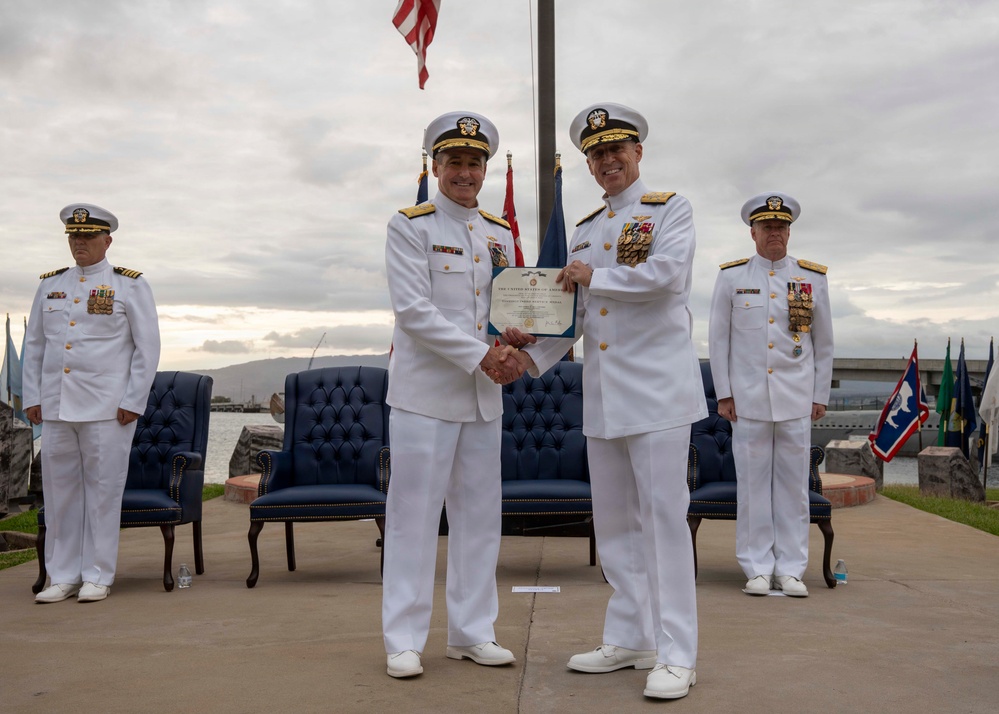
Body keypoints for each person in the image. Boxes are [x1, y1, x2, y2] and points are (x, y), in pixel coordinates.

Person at [500, 103, 706, 700]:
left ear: (637, 152)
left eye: (616, 149)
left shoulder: (670, 210)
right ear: (588, 166)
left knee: (664, 523)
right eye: (596, 154)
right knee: (616, 526)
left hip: (660, 395)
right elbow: (575, 321)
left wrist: (595, 276)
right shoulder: (587, 230)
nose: (607, 160)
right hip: (606, 397)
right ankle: (631, 637)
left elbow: (667, 277)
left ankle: (677, 652)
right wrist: (525, 358)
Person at [381, 111, 524, 679]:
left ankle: (471, 632)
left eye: (474, 162)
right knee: (414, 517)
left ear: (485, 169)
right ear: (435, 167)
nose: (465, 172)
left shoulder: (500, 232)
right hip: (424, 396)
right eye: (455, 162)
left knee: (480, 518)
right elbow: (414, 311)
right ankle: (404, 638)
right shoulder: (409, 226)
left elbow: (501, 307)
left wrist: (512, 337)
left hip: (482, 398)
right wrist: (480, 353)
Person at [23, 203, 160, 604]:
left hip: (107, 408)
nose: (78, 243)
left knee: (103, 491)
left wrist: (133, 400)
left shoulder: (129, 285)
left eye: (86, 237)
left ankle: (98, 574)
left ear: (107, 240)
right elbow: (35, 347)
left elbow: (146, 349)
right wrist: (33, 397)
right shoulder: (50, 285)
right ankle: (62, 576)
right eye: (73, 237)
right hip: (57, 407)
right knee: (60, 492)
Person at [707, 192, 833, 598]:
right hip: (748, 401)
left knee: (794, 486)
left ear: (789, 232)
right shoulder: (732, 277)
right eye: (767, 227)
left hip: (796, 398)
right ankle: (757, 567)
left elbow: (824, 343)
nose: (774, 233)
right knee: (753, 486)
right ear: (753, 232)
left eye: (780, 227)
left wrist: (819, 395)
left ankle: (792, 568)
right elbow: (719, 340)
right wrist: (724, 394)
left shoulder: (812, 278)